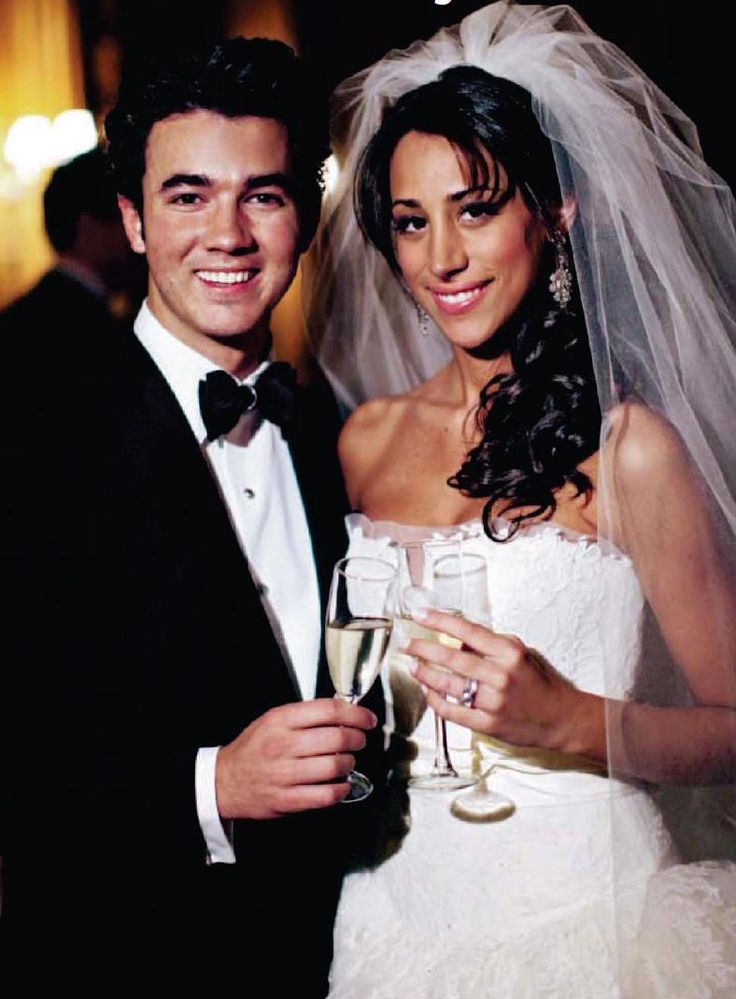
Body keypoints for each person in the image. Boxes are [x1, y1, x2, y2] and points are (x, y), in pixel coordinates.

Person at [308, 3, 736, 996]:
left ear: (555, 213)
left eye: (476, 208)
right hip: (391, 914)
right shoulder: (362, 442)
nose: (441, 259)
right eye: (411, 222)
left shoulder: (631, 452)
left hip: (589, 916)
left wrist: (572, 720)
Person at [0, 36, 383, 996]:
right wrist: (210, 784)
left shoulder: (333, 428)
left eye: (263, 193)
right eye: (187, 195)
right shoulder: (34, 433)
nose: (229, 234)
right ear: (131, 219)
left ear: (306, 211)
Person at [0, 147, 135, 363]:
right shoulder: (93, 331)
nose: (138, 241)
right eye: (127, 223)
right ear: (89, 228)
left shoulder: (19, 317)